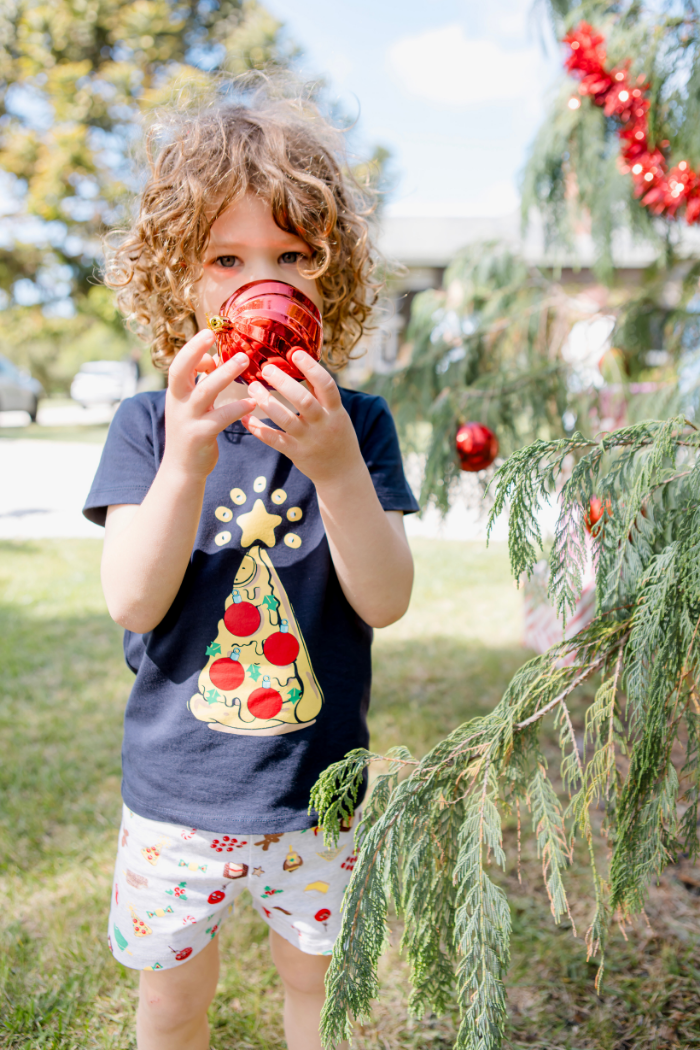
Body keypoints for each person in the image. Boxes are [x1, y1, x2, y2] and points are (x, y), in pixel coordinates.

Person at [83, 93, 418, 1050]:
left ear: (332, 272)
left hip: (318, 793)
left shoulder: (358, 427)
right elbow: (132, 599)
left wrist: (336, 465)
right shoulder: (150, 426)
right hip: (175, 800)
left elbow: (386, 600)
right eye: (226, 260)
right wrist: (187, 458)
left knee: (316, 996)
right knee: (173, 1002)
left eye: (291, 256)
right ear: (178, 280)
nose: (259, 281)